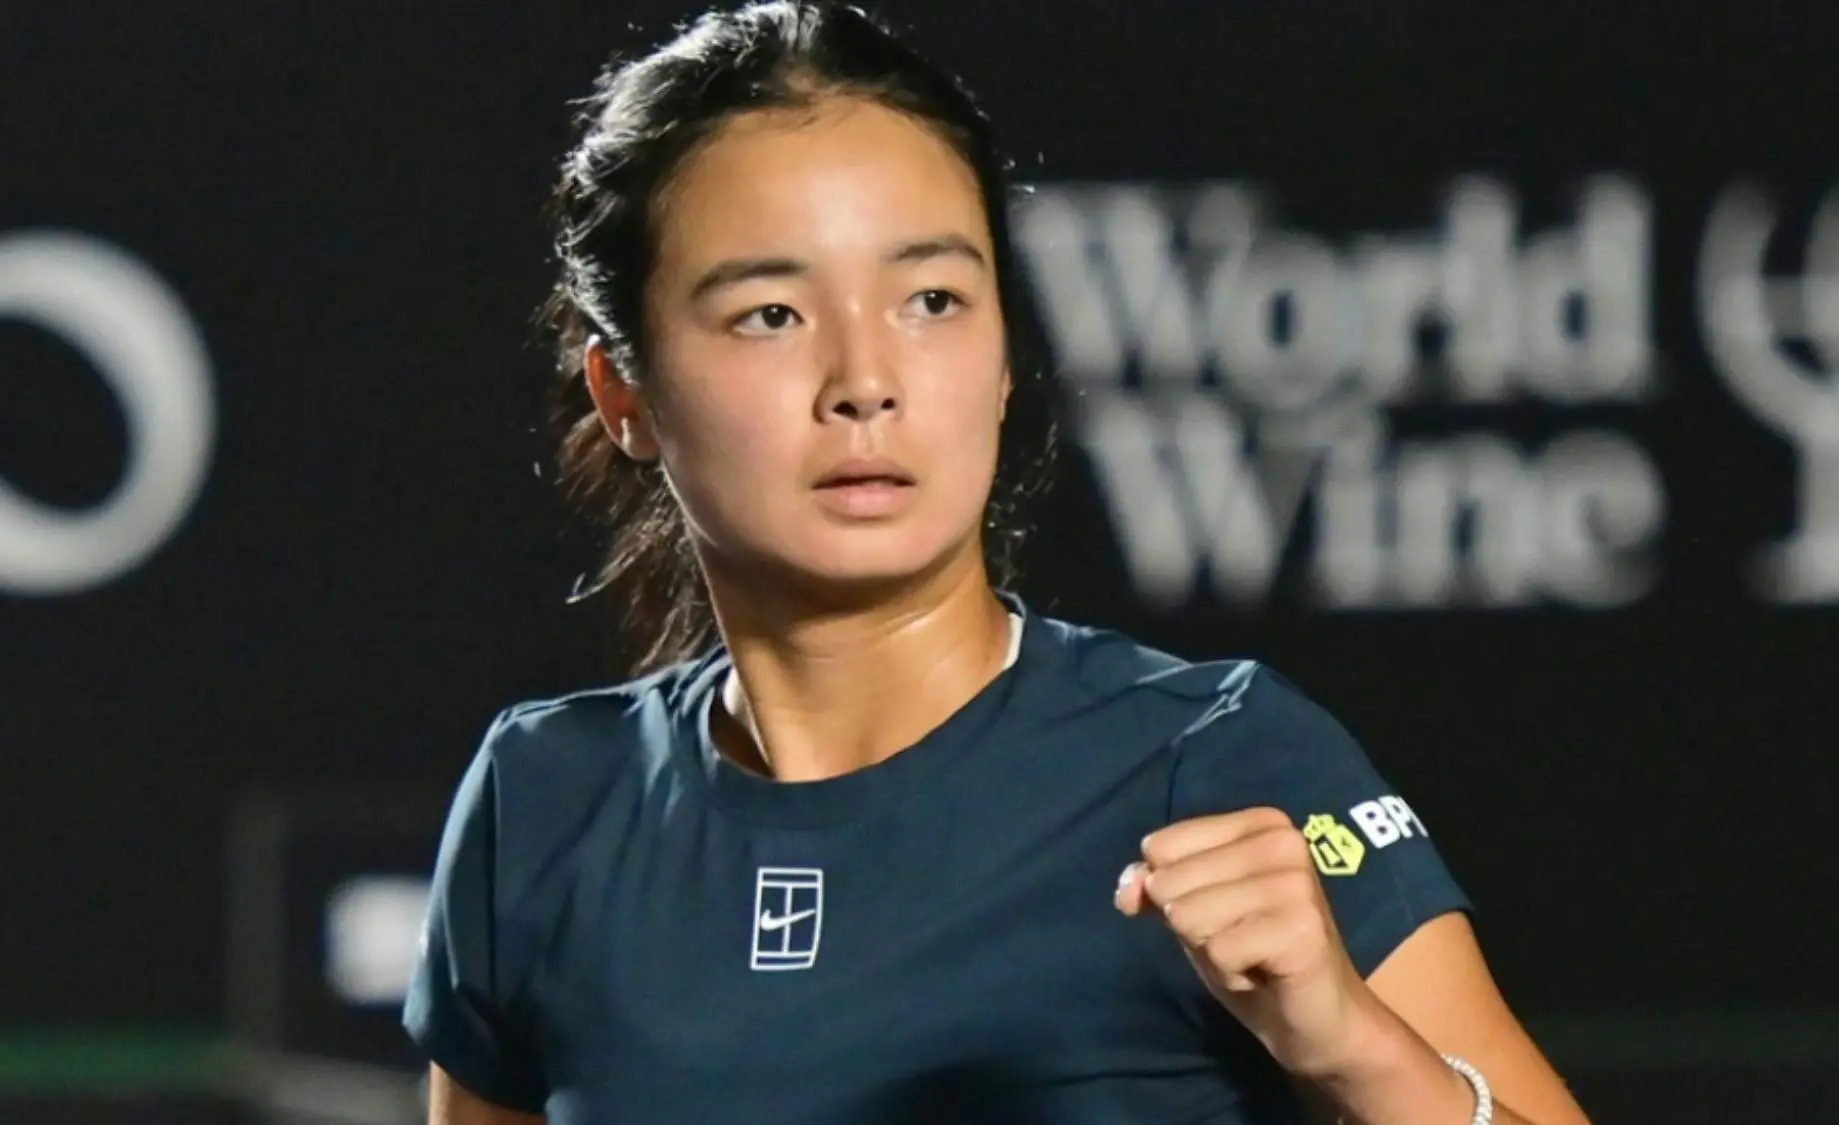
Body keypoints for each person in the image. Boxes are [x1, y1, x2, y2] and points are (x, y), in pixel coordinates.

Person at [403, 3, 1592, 1123]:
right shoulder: (543, 800)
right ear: (624, 394)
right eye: (771, 314)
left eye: (930, 299)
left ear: (1005, 353)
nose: (865, 381)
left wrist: (1350, 1045)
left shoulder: (1218, 762)